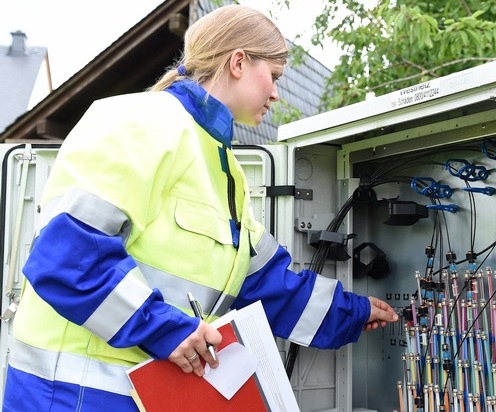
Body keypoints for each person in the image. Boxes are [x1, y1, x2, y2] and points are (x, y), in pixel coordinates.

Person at [1, 4, 398, 412]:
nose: (277, 92)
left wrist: (355, 311)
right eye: (274, 76)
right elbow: (66, 257)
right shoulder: (137, 122)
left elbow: (264, 283)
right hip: (70, 395)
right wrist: (166, 329)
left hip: (143, 397)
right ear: (238, 62)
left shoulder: (227, 171)